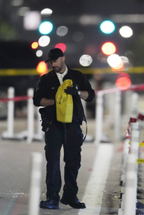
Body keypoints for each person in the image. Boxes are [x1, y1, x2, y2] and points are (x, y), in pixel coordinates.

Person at [33, 48, 95, 209]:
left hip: (73, 124)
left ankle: (70, 196)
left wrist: (77, 92)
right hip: (53, 125)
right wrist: (57, 100)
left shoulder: (77, 76)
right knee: (52, 161)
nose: (53, 64)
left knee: (73, 161)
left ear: (63, 58)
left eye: (55, 61)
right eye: (51, 62)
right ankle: (52, 198)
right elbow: (37, 100)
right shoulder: (46, 79)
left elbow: (90, 96)